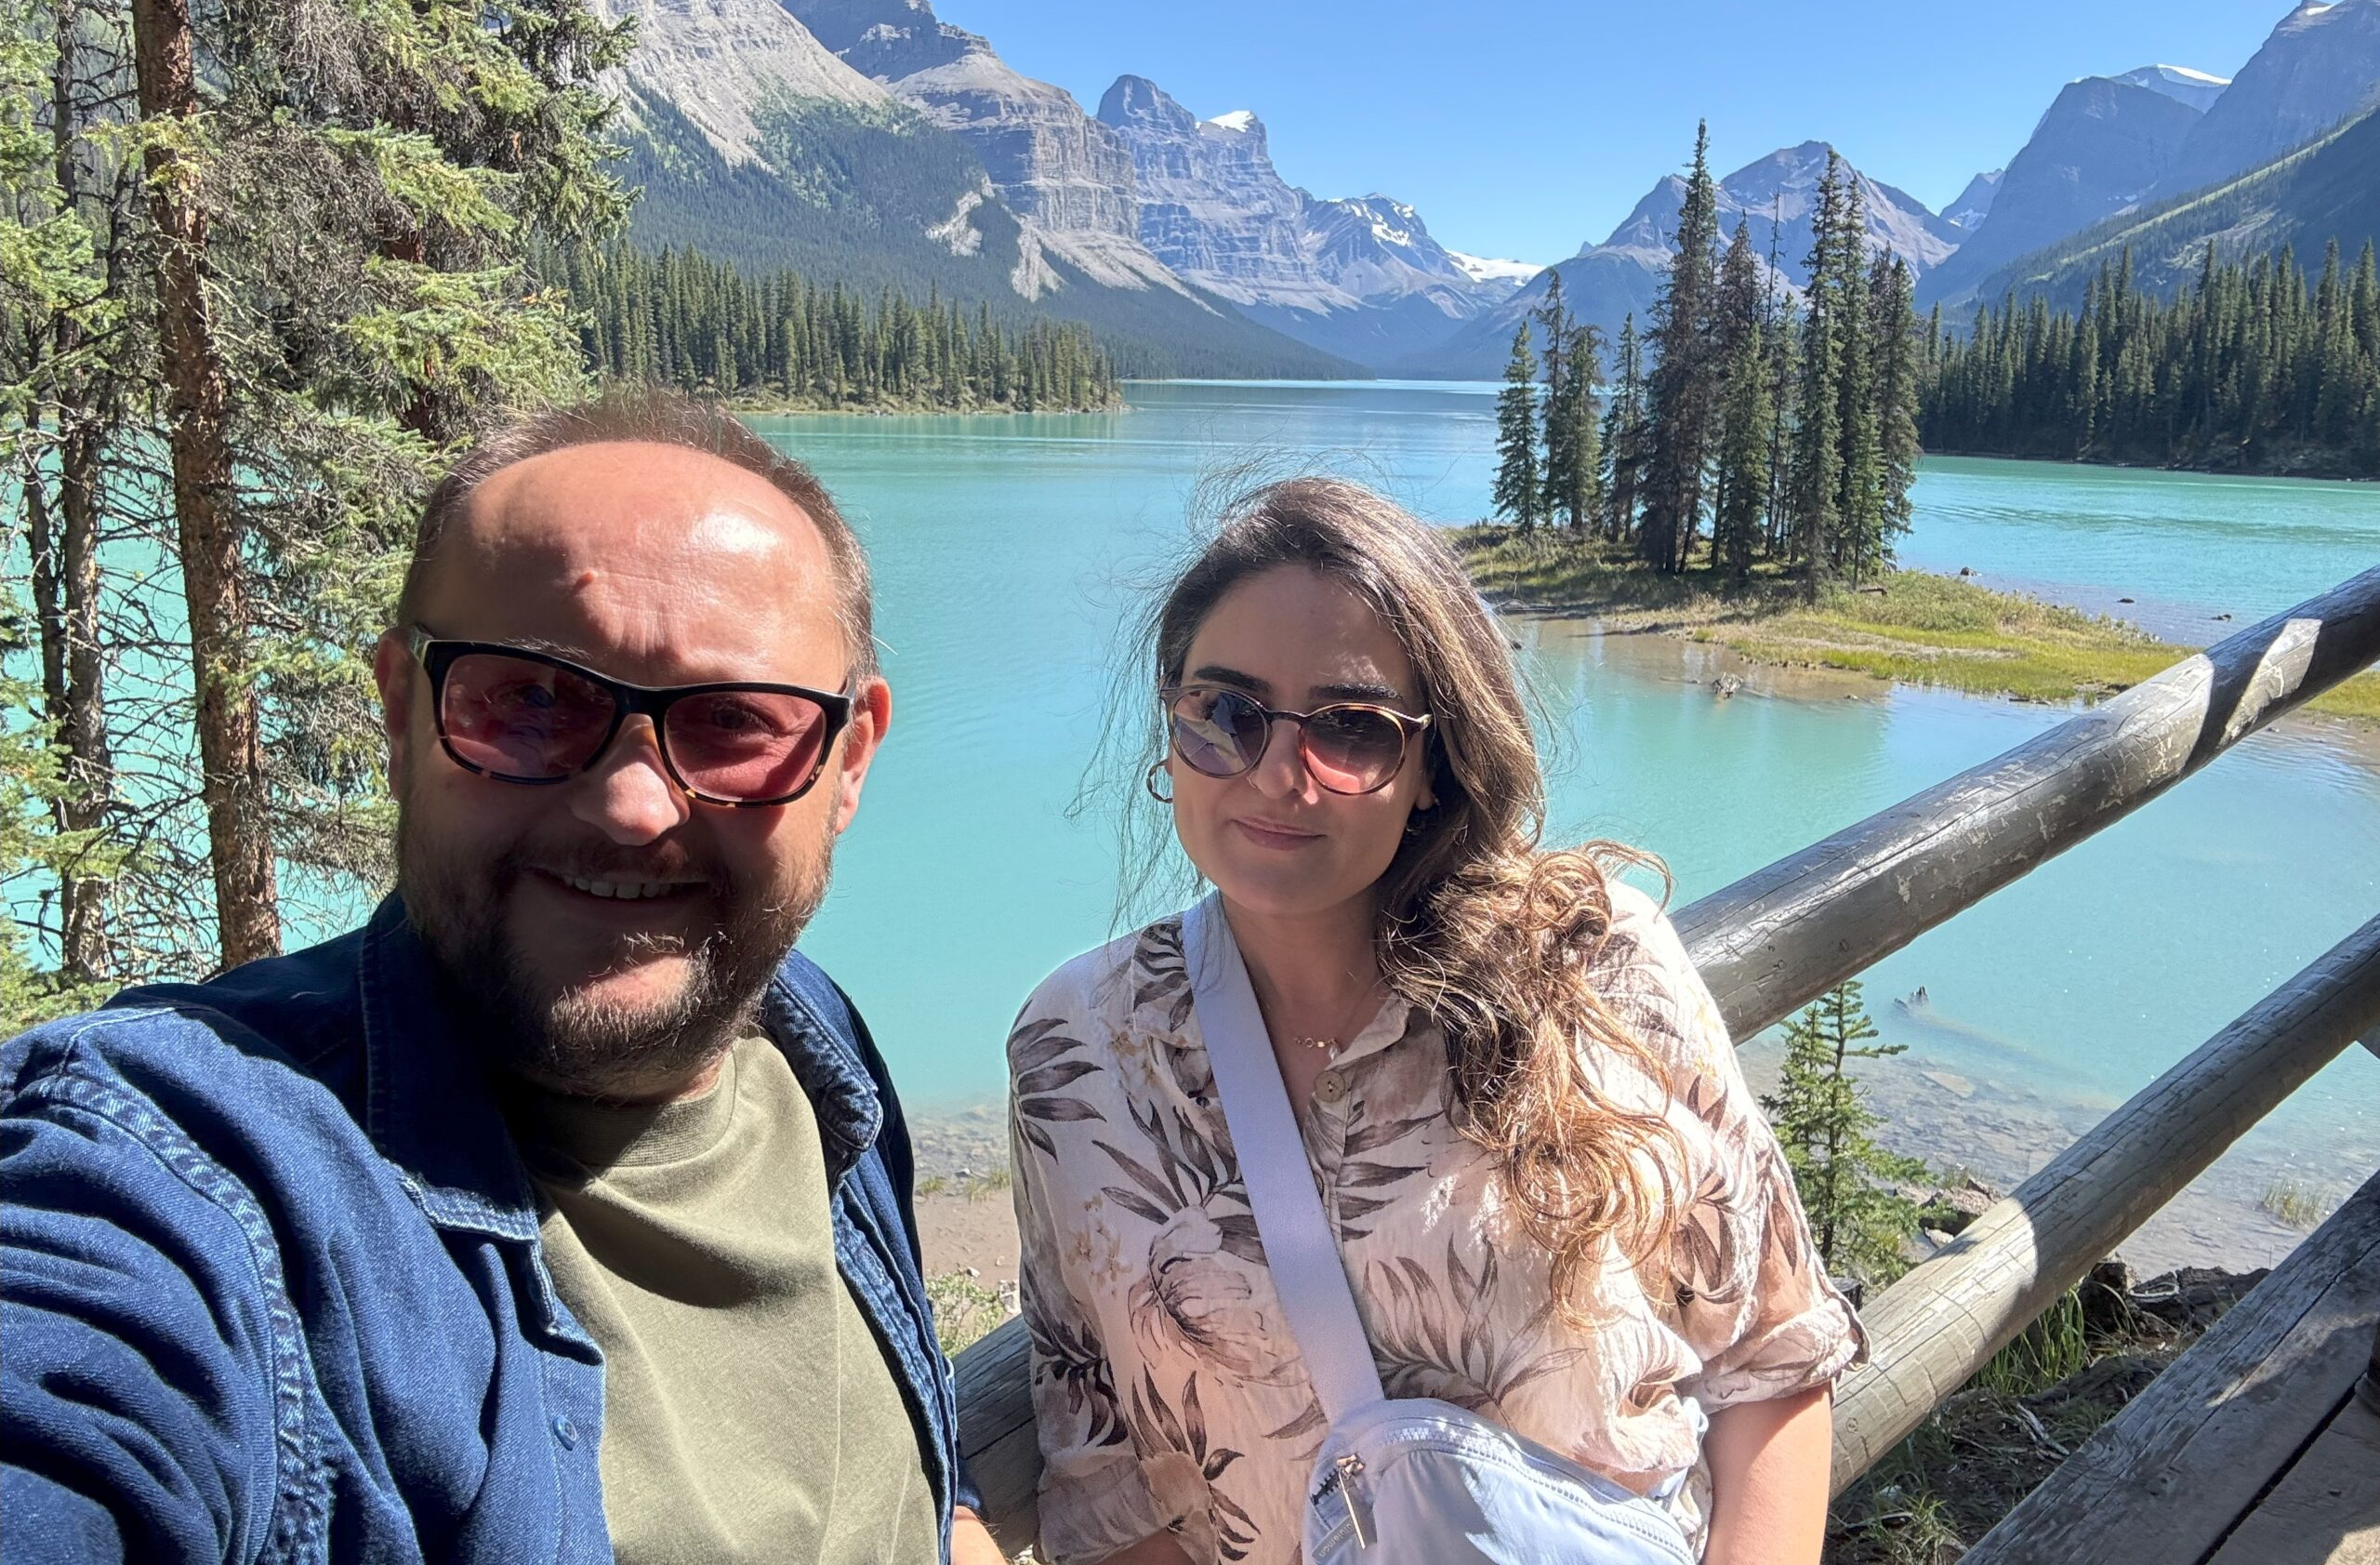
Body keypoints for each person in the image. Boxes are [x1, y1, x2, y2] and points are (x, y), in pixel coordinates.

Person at [2, 391, 1007, 1565]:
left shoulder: (810, 1047)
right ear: (398, 711)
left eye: (735, 720)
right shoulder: (187, 1175)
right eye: (530, 701)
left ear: (848, 760)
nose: (635, 809)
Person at [1007, 478, 1862, 1565]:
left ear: (1430, 766)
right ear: (1171, 728)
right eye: (1225, 714)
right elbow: (1107, 1483)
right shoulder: (1077, 1048)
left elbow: (1771, 1357)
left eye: (1350, 730)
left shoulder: (1596, 972)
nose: (1277, 773)